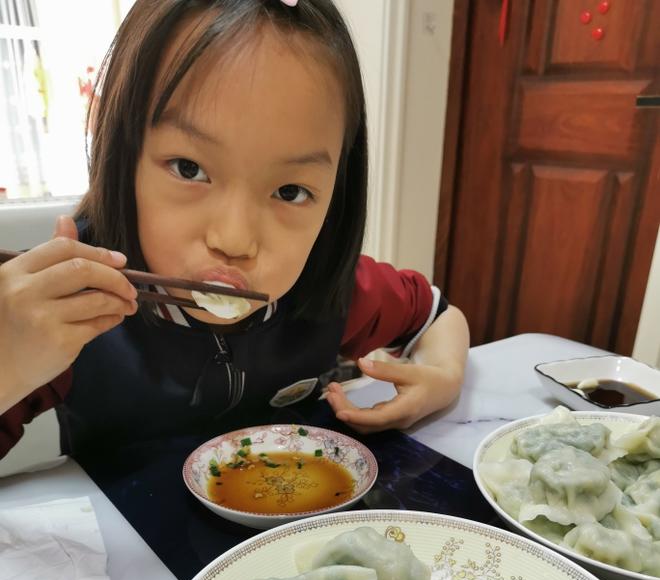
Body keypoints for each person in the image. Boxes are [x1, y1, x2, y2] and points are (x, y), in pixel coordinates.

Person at [0, 0, 468, 461]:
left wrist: (442, 375)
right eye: (188, 168)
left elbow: (436, 313)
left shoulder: (328, 291)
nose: (234, 239)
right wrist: (10, 363)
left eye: (289, 191)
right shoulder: (68, 305)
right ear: (124, 156)